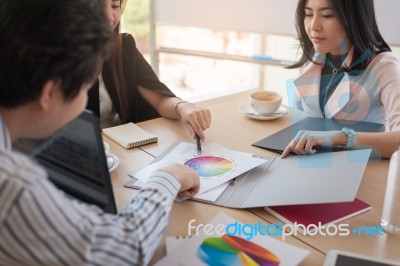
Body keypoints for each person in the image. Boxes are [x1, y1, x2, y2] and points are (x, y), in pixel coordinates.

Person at [0, 0, 200, 265]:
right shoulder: (15, 186)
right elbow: (122, 249)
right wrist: (167, 177)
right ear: (49, 93)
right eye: (85, 89)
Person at [282, 0, 400, 159]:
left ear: (354, 18)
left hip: (361, 166)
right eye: (308, 14)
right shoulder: (312, 61)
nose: (313, 26)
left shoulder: (383, 67)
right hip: (311, 162)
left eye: (327, 15)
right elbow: (302, 123)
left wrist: (341, 137)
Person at [87, 0, 211, 141]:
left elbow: (159, 99)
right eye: (98, 6)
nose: (110, 17)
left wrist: (183, 107)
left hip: (124, 150)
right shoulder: (60, 62)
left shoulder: (124, 47)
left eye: (115, 6)